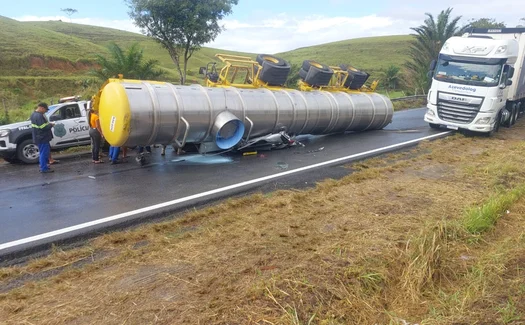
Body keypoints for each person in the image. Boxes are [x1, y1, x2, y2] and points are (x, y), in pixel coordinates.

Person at [30, 102, 55, 173]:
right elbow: (43, 127)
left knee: (42, 152)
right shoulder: (39, 116)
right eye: (45, 110)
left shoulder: (33, 114)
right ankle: (44, 168)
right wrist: (51, 125)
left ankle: (43, 166)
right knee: (44, 153)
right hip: (42, 137)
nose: (45, 111)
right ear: (41, 108)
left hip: (39, 137)